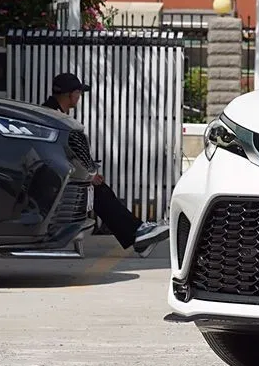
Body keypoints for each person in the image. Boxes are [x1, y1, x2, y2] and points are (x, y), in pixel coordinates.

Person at [43, 72, 168, 255]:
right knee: (99, 192)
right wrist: (88, 174)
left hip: (63, 177)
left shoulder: (53, 113)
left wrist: (90, 172)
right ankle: (137, 233)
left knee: (100, 190)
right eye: (78, 92)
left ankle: (138, 236)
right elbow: (64, 152)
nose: (79, 97)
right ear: (71, 94)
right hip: (56, 182)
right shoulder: (55, 117)